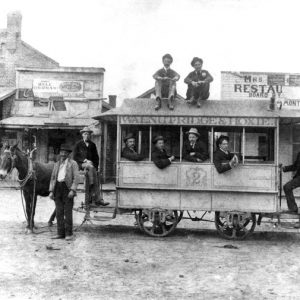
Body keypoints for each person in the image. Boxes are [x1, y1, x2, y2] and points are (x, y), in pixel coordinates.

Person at [49, 144, 80, 240]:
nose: (63, 154)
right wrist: (51, 191)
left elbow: (76, 178)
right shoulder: (57, 164)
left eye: (65, 153)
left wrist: (72, 190)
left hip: (67, 188)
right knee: (59, 212)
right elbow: (53, 178)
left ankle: (69, 234)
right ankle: (60, 233)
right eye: (61, 152)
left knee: (67, 212)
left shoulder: (73, 163)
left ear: (68, 154)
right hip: (57, 188)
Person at [73, 127, 109, 206]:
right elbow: (75, 157)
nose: (87, 136)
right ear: (82, 135)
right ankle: (93, 187)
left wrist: (96, 167)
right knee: (90, 167)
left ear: (90, 135)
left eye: (88, 134)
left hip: (91, 166)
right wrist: (84, 160)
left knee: (93, 169)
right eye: (85, 134)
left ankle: (96, 198)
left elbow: (96, 157)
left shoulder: (92, 145)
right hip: (81, 164)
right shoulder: (78, 144)